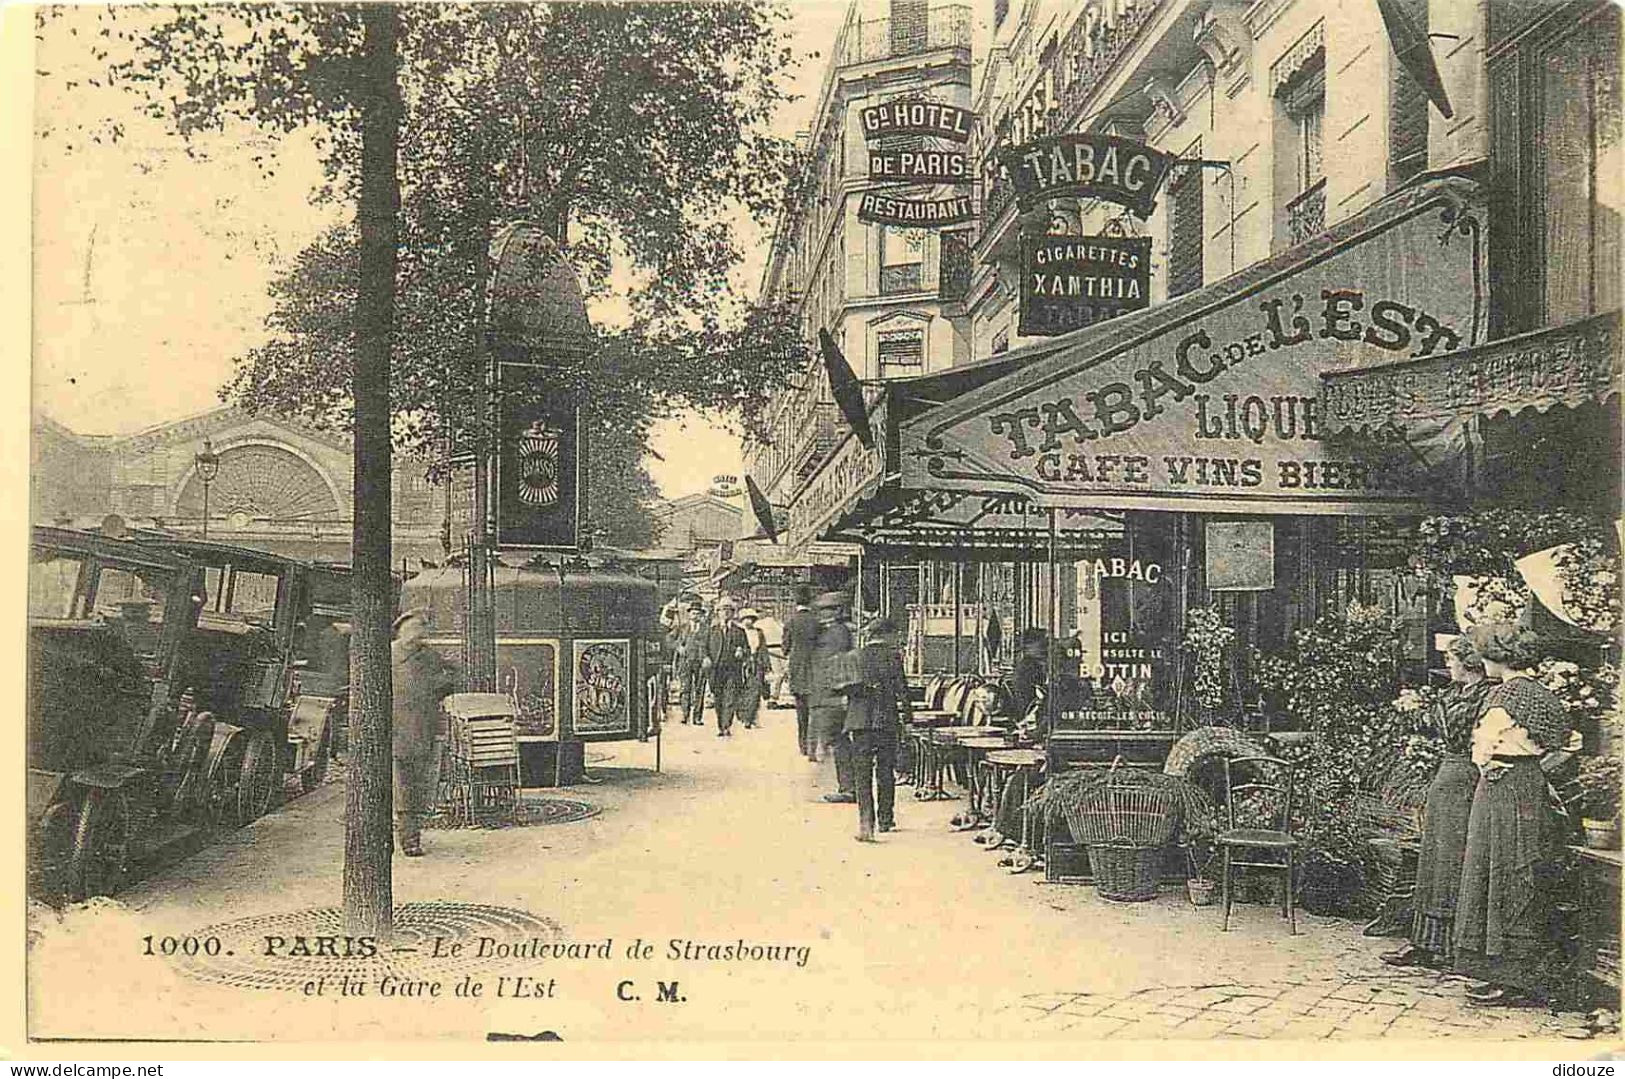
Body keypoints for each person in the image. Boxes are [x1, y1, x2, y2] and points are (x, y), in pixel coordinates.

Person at [1453, 622, 1573, 1007]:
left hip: (1501, 790)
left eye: (1487, 654)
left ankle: (1503, 972)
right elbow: (1568, 743)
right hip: (1528, 786)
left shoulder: (1505, 695)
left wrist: (1487, 766)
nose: (1484, 661)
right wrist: (1537, 769)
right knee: (1521, 870)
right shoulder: (1543, 695)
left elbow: (1482, 746)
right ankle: (1514, 970)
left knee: (1495, 870)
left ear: (1500, 657)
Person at [1383, 634, 1493, 970]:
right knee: (1433, 857)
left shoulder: (1485, 697)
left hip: (1466, 778)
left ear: (1467, 662)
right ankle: (1425, 942)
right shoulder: (1454, 693)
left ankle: (1451, 947)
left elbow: (1460, 732)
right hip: (1446, 776)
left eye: (1451, 659)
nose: (1447, 665)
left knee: (1453, 858)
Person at [390, 609, 458, 857]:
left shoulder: (429, 657)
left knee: (418, 786)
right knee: (401, 786)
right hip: (394, 729)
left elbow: (453, 674)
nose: (419, 634)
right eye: (414, 628)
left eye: (422, 629)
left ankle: (411, 835)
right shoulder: (389, 654)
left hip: (422, 729)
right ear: (402, 629)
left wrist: (437, 691)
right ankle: (407, 839)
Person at [844, 614, 911, 841]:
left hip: (860, 722)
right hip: (885, 721)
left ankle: (866, 824)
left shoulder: (855, 657)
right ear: (886, 635)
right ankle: (885, 818)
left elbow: (844, 688)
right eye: (894, 635)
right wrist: (908, 718)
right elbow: (902, 691)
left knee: (862, 774)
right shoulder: (893, 657)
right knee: (885, 770)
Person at [811, 591, 855, 800]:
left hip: (833, 695)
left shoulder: (838, 633)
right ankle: (846, 786)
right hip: (829, 694)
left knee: (838, 742)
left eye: (827, 609)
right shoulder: (833, 631)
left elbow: (836, 665)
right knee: (837, 742)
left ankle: (847, 787)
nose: (822, 613)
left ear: (838, 611)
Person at [784, 585, 822, 760]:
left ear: (795, 602)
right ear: (810, 601)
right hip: (815, 669)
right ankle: (814, 746)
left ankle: (803, 745)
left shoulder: (790, 622)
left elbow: (785, 648)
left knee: (801, 711)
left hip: (797, 670)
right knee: (815, 710)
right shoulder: (817, 621)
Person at [704, 597, 752, 737]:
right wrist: (706, 658)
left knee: (730, 698)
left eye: (728, 610)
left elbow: (747, 649)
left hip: (732, 670)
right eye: (722, 610)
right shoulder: (711, 631)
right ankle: (720, 725)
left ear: (732, 613)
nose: (725, 613)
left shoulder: (739, 631)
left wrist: (742, 651)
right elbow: (704, 648)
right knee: (718, 699)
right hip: (716, 670)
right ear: (717, 612)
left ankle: (726, 726)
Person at [676, 600, 709, 725]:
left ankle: (697, 717)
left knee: (699, 689)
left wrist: (706, 657)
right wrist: (678, 646)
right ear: (689, 614)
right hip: (685, 662)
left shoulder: (706, 629)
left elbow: (710, 644)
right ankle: (685, 715)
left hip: (700, 663)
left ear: (701, 615)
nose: (695, 616)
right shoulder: (682, 628)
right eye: (693, 613)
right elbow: (669, 639)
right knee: (685, 689)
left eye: (698, 613)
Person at [737, 608, 768, 729]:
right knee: (742, 690)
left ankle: (751, 717)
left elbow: (763, 648)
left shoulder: (759, 632)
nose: (747, 621)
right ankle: (743, 715)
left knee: (755, 690)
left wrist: (766, 665)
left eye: (750, 618)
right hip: (742, 663)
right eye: (745, 618)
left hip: (757, 663)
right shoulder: (739, 632)